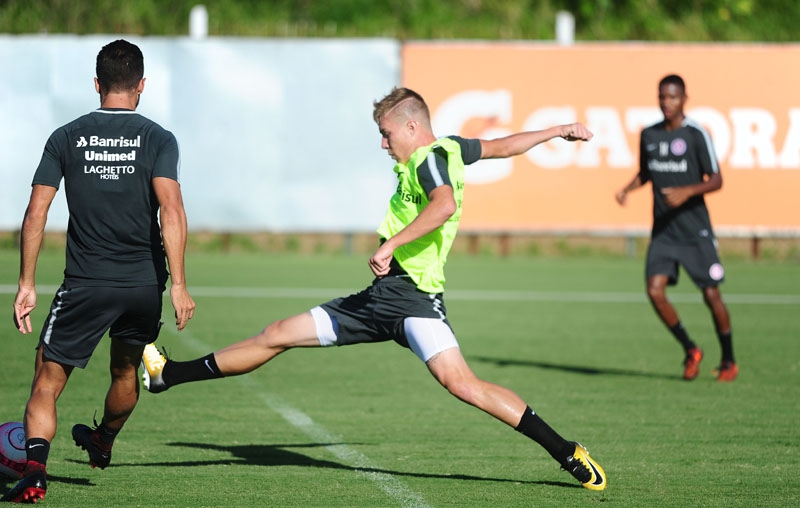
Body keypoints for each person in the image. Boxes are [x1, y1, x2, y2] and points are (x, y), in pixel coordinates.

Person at [140, 86, 606, 490]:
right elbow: (504, 145)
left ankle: (567, 450)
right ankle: (169, 375)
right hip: (386, 300)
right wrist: (556, 129)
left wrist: (392, 245)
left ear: (410, 127)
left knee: (463, 385)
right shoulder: (451, 149)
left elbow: (442, 206)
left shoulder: (430, 160)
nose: (383, 144)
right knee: (278, 333)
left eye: (386, 134)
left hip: (412, 300)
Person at [2, 39, 196, 503]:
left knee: (47, 381)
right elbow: (171, 210)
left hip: (87, 284)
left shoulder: (66, 136)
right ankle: (103, 439)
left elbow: (35, 213)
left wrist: (26, 283)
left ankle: (33, 471)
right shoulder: (158, 138)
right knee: (126, 371)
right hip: (144, 284)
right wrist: (180, 286)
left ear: (97, 84)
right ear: (141, 86)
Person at [615, 74, 736, 382]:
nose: (667, 102)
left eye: (673, 97)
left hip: (696, 232)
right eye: (662, 97)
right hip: (664, 232)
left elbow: (717, 180)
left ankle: (728, 360)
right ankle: (690, 348)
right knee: (654, 291)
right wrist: (627, 188)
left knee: (711, 295)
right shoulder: (649, 134)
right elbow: (646, 172)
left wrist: (687, 192)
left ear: (684, 98)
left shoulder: (697, 134)